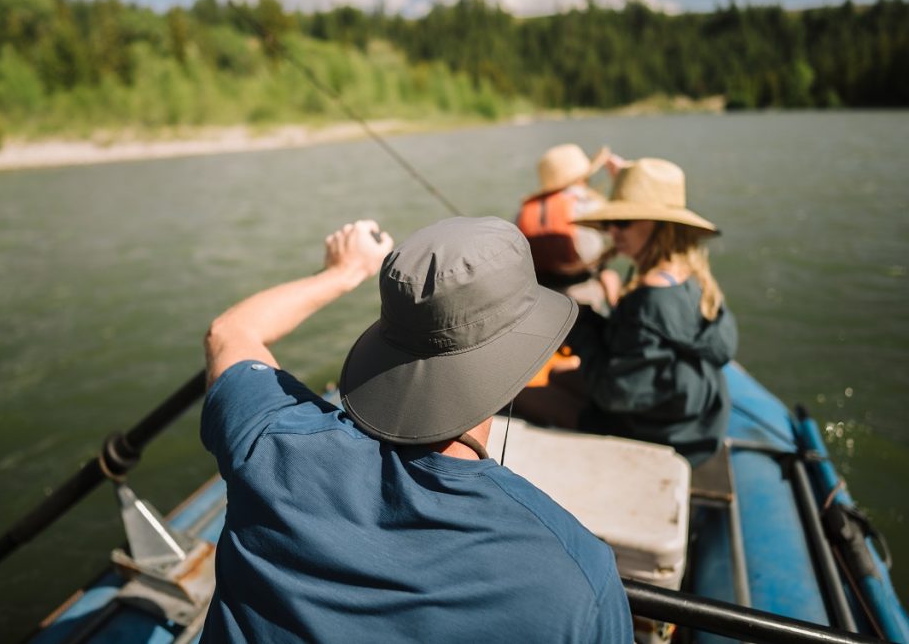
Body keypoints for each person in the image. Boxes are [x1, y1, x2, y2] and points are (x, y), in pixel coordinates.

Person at [200, 217, 633, 642]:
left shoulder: (270, 443)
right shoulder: (575, 577)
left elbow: (230, 331)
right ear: (521, 362)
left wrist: (343, 272)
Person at [517, 158, 738, 467]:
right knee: (555, 373)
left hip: (664, 433)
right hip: (694, 416)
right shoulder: (690, 275)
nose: (612, 231)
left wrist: (580, 329)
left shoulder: (650, 298)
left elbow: (615, 394)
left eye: (623, 223)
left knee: (521, 397)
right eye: (609, 223)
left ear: (662, 227)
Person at [515, 143, 621, 309]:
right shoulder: (586, 204)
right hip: (581, 295)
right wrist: (619, 181)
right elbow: (623, 228)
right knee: (610, 275)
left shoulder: (524, 211)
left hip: (539, 298)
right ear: (582, 178)